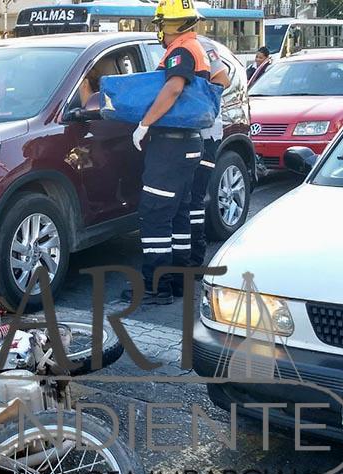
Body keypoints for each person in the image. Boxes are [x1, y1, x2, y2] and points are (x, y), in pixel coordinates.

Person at [124, 0, 211, 306]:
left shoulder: (182, 51)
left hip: (171, 146)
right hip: (187, 143)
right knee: (179, 217)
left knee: (155, 215)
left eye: (161, 24)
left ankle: (155, 288)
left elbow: (173, 87)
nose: (159, 30)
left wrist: (145, 123)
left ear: (175, 24)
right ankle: (178, 284)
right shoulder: (198, 48)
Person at [188, 37, 232, 269]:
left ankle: (195, 261)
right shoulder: (172, 48)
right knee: (187, 201)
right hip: (185, 136)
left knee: (193, 199)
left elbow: (222, 80)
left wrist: (190, 101)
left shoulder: (202, 47)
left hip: (205, 135)